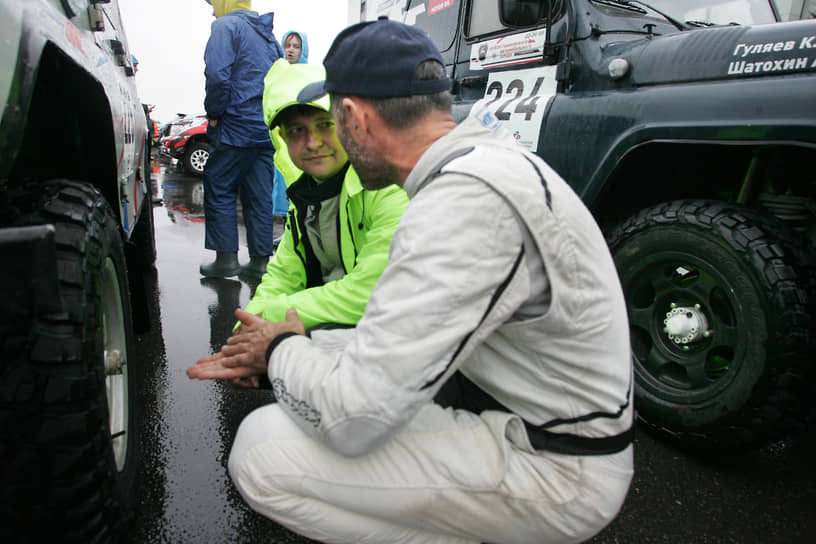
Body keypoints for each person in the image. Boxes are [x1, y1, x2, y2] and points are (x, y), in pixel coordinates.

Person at [188, 19, 634, 544]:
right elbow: (382, 340)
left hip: (556, 466)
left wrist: (278, 351)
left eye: (331, 121)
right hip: (524, 410)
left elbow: (355, 419)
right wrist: (272, 357)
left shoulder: (461, 203)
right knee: (311, 361)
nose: (319, 142)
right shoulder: (483, 166)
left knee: (260, 452)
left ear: (354, 117)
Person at [235, 59, 408, 340]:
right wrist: (245, 330)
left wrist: (269, 319)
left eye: (325, 124)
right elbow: (284, 274)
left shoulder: (388, 184)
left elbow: (372, 292)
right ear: (282, 138)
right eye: (297, 130)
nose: (313, 142)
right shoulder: (306, 195)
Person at [200, 0, 283, 279]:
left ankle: (226, 259)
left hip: (235, 126)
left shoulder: (226, 26)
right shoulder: (268, 35)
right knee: (259, 195)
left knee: (220, 187)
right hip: (263, 130)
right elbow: (279, 78)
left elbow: (217, 75)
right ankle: (260, 261)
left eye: (214, 3)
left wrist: (214, 113)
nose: (213, 10)